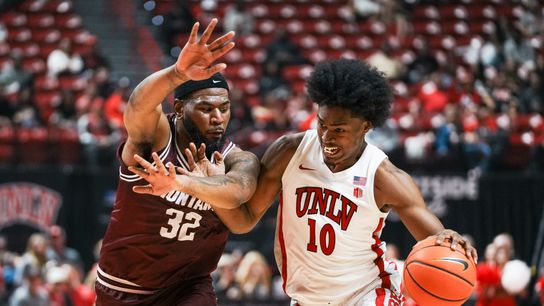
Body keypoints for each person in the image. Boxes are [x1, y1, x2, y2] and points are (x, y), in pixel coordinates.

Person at [131, 57, 478, 305]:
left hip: (368, 294)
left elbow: (436, 239)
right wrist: (199, 186)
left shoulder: (384, 177)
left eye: (340, 130)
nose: (328, 136)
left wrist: (449, 240)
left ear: (366, 127)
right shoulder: (289, 151)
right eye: (323, 124)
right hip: (306, 298)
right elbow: (244, 219)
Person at [95, 19, 260, 305]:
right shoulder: (158, 138)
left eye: (224, 108)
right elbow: (137, 106)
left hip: (188, 286)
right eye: (206, 108)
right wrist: (176, 74)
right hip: (123, 285)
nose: (218, 118)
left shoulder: (237, 157)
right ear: (181, 108)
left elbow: (240, 191)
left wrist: (182, 182)